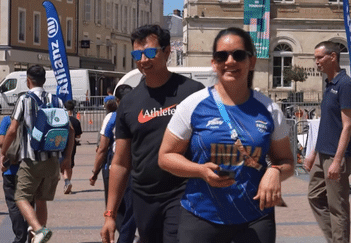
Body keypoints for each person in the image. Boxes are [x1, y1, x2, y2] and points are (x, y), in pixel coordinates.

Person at [158, 27, 294, 243]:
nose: (230, 61)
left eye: (238, 55)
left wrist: (275, 171)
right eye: (222, 56)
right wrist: (200, 170)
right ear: (214, 63)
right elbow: (165, 157)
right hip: (201, 215)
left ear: (251, 61)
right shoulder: (193, 105)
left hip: (255, 217)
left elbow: (287, 161)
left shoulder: (269, 109)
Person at [100, 24, 205, 243]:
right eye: (137, 54)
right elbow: (120, 162)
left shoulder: (192, 92)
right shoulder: (128, 103)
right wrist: (110, 215)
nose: (143, 60)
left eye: (149, 52)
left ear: (167, 52)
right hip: (143, 197)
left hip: (183, 193)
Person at [0, 65, 75, 243]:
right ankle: (38, 239)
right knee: (41, 200)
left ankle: (39, 230)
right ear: (45, 80)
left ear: (28, 80)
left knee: (20, 196)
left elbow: (12, 130)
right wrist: (68, 157)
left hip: (31, 160)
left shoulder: (24, 100)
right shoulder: (56, 100)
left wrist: (4, 153)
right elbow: (70, 130)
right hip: (52, 160)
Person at [304, 41, 351, 243]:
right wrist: (313, 153)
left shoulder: (345, 84)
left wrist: (337, 160)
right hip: (322, 153)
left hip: (335, 155)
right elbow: (326, 123)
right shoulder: (328, 83)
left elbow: (347, 125)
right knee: (314, 196)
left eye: (319, 57)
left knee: (337, 207)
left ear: (333, 57)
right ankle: (335, 239)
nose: (316, 62)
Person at [91, 84, 137, 243]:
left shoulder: (111, 117)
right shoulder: (139, 114)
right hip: (134, 169)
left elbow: (102, 148)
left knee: (114, 208)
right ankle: (127, 237)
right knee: (130, 209)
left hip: (112, 169)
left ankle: (124, 238)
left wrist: (95, 172)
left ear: (117, 100)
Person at [0, 116, 28, 243]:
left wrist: (5, 152)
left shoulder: (6, 120)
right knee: (29, 203)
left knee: (13, 204)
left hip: (10, 169)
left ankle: (20, 236)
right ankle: (30, 234)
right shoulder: (33, 119)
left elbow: (0, 140)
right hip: (28, 169)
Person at [62, 100, 83, 194]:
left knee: (61, 164)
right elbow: (78, 135)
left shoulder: (61, 119)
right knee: (70, 164)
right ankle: (68, 181)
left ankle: (66, 180)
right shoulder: (75, 121)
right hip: (72, 144)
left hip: (61, 143)